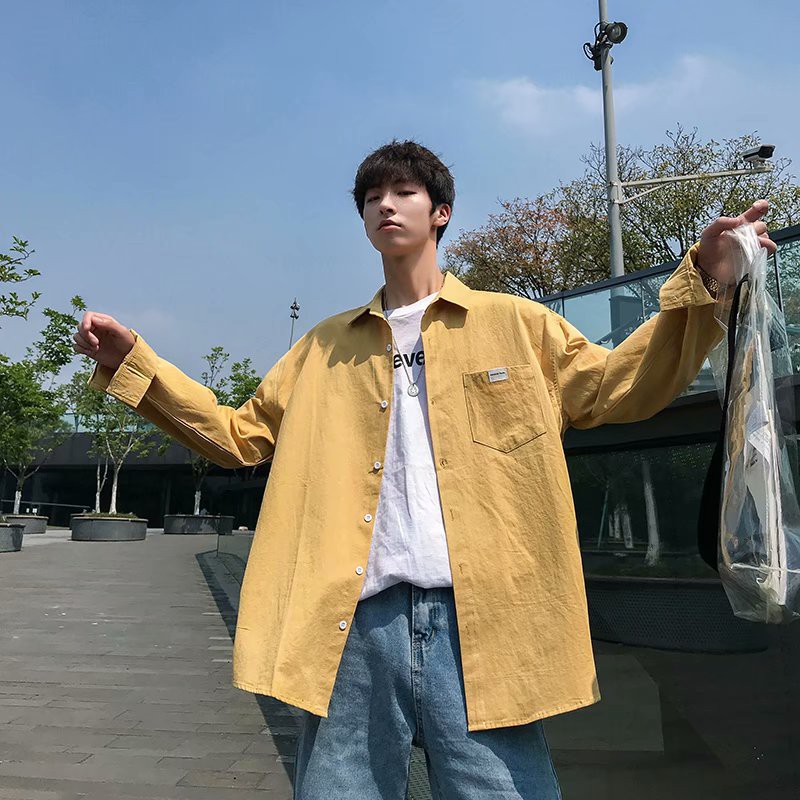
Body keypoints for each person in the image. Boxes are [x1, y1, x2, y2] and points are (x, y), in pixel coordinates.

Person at [73, 140, 776, 799]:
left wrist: (703, 277)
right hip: (353, 622)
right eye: (371, 197)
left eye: (404, 192)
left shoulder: (517, 325)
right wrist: (135, 365)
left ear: (440, 212)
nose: (385, 204)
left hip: (484, 620)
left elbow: (619, 386)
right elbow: (238, 437)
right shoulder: (322, 348)